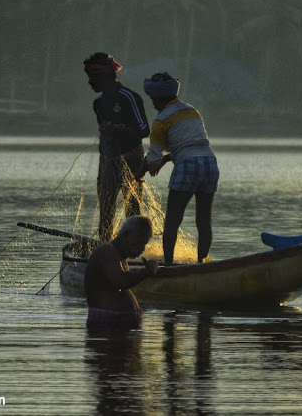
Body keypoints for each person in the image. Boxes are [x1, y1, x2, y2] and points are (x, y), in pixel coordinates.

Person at [141, 72, 219, 265]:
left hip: (187, 165)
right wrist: (167, 160)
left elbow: (153, 157)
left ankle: (167, 265)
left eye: (153, 99)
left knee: (173, 220)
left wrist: (142, 170)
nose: (153, 104)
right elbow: (191, 143)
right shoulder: (192, 111)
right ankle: (202, 263)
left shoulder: (161, 120)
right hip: (210, 162)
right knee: (203, 220)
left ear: (159, 99)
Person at [84, 52, 150, 241]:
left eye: (93, 78)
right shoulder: (98, 104)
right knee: (106, 207)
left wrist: (119, 130)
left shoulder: (129, 97)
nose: (90, 83)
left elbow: (144, 130)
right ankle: (106, 245)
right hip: (107, 160)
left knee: (132, 208)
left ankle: (136, 248)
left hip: (131, 158)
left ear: (105, 76)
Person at [85, 215, 159, 332]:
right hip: (107, 329)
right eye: (139, 243)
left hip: (117, 328)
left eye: (144, 244)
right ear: (125, 235)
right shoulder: (107, 251)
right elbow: (121, 281)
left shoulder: (120, 257)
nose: (142, 249)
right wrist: (146, 271)